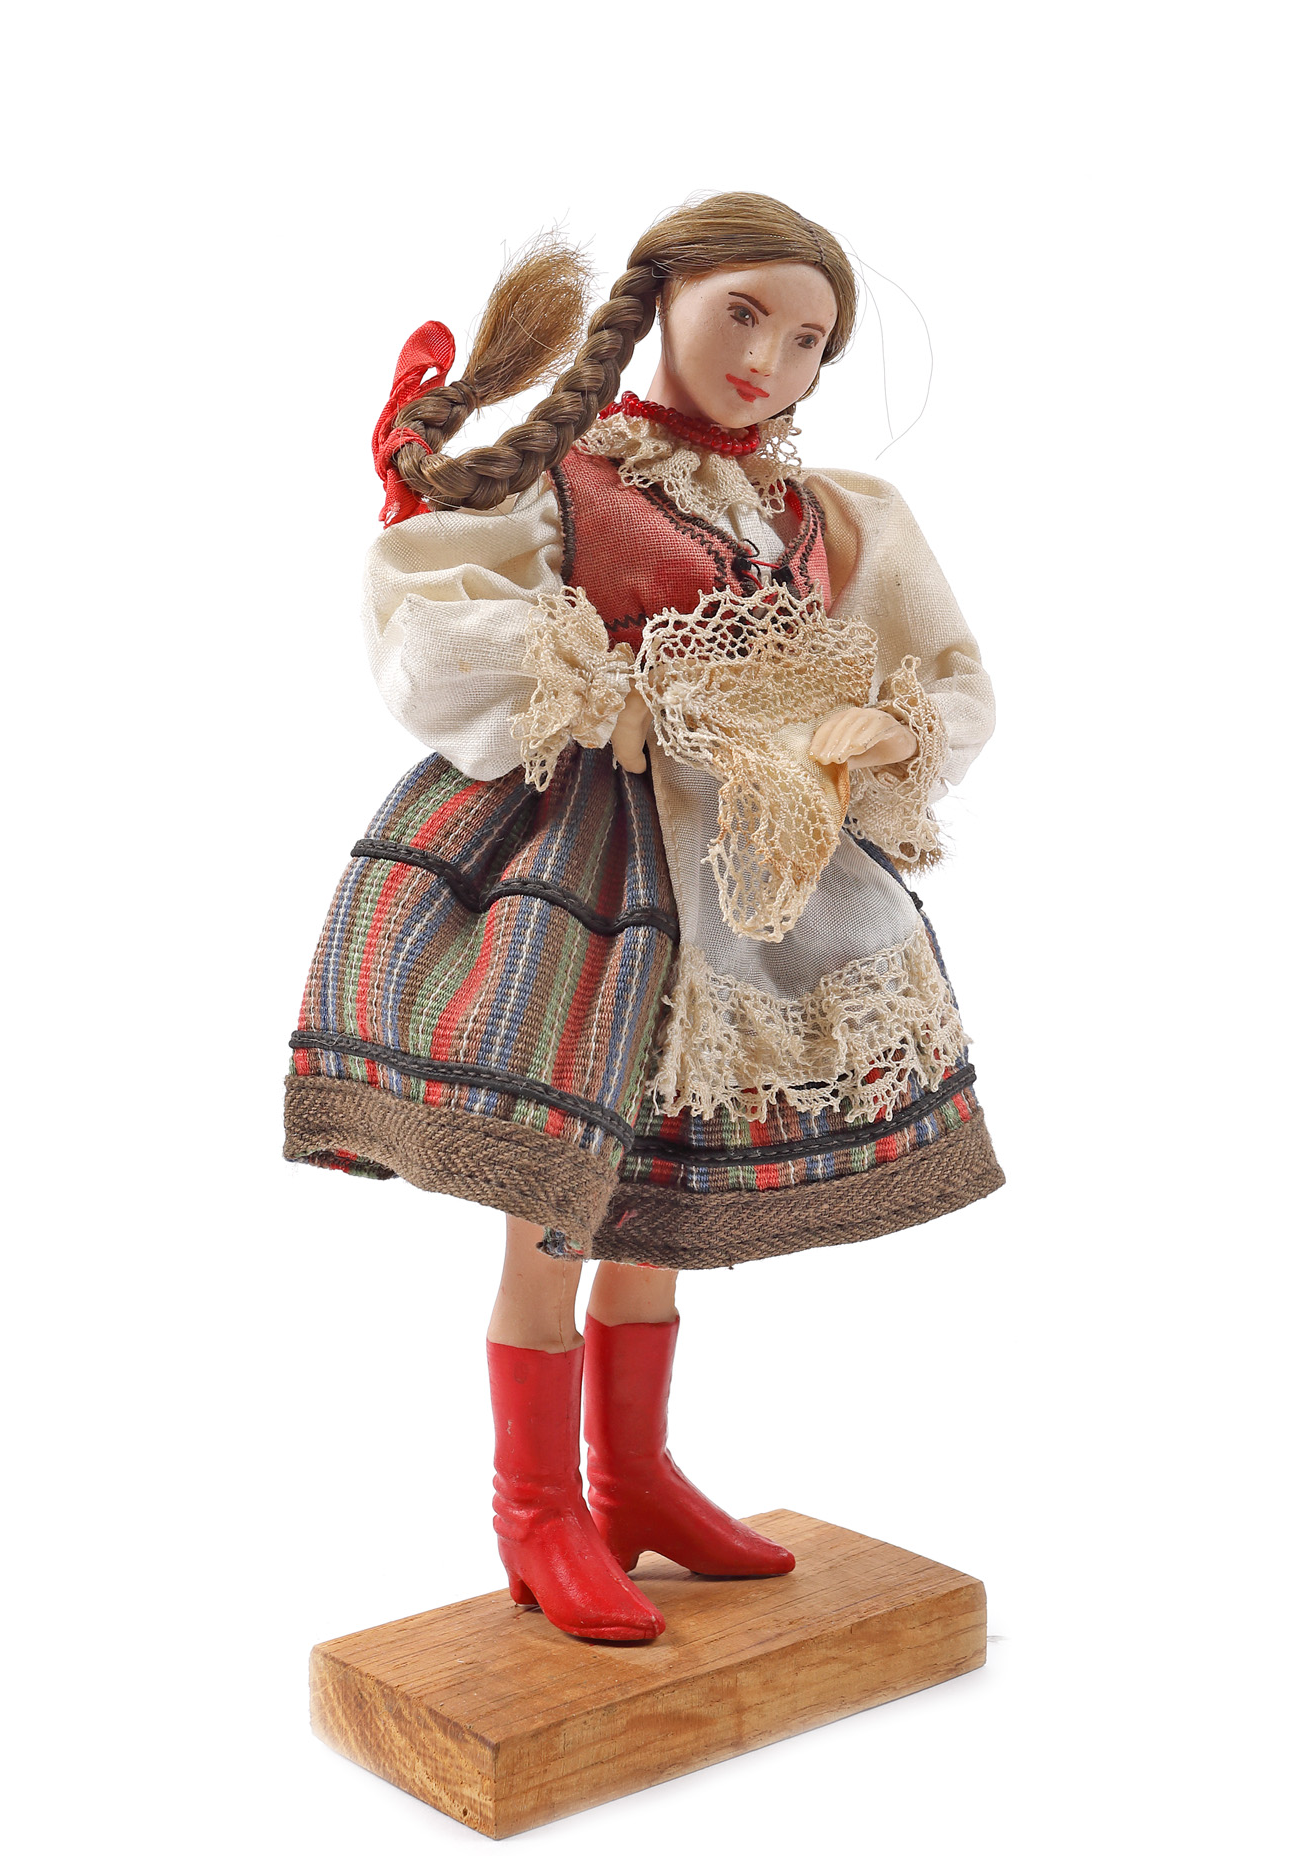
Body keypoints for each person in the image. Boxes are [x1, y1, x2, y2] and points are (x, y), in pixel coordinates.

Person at [286, 193, 1002, 1643]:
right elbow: (432, 623)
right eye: (744, 314)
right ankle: (535, 1505)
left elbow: (938, 667)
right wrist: (606, 699)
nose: (768, 360)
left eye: (806, 342)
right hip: (585, 863)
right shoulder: (566, 477)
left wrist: (883, 727)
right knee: (559, 1194)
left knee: (667, 1180)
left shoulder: (823, 515)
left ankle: (634, 1476)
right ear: (660, 297)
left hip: (745, 867)